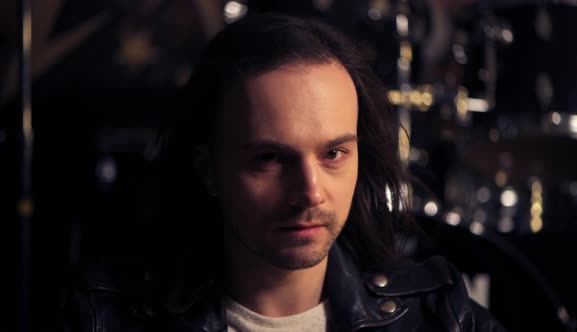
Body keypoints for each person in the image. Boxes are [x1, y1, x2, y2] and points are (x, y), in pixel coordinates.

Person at [61, 13, 507, 331]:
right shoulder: (102, 316)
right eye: (270, 159)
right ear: (208, 169)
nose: (310, 193)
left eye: (333, 153)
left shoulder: (443, 316)